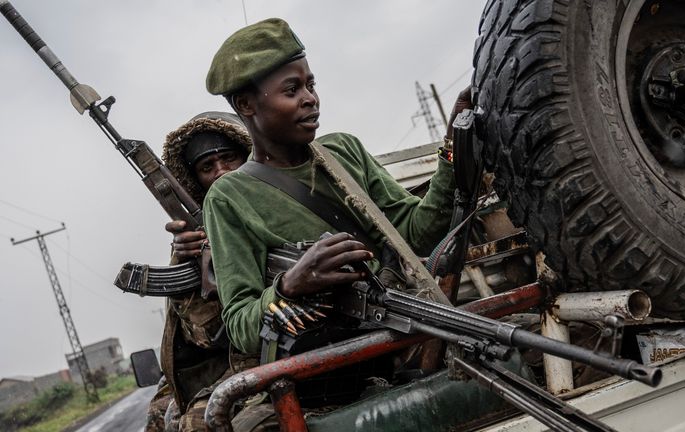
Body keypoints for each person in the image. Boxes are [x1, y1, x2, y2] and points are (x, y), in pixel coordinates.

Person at [203, 18, 468, 361]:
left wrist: (452, 146)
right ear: (245, 105)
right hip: (334, 365)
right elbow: (240, 325)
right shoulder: (229, 197)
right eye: (291, 90)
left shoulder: (344, 152)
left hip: (408, 335)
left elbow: (417, 234)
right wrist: (289, 286)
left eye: (310, 85)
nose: (310, 99)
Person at [144, 111, 251, 432]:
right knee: (159, 415)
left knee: (196, 422)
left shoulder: (280, 198)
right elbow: (207, 335)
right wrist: (189, 262)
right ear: (195, 180)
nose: (221, 172)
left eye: (229, 158)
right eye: (207, 167)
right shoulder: (197, 240)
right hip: (225, 355)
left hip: (267, 350)